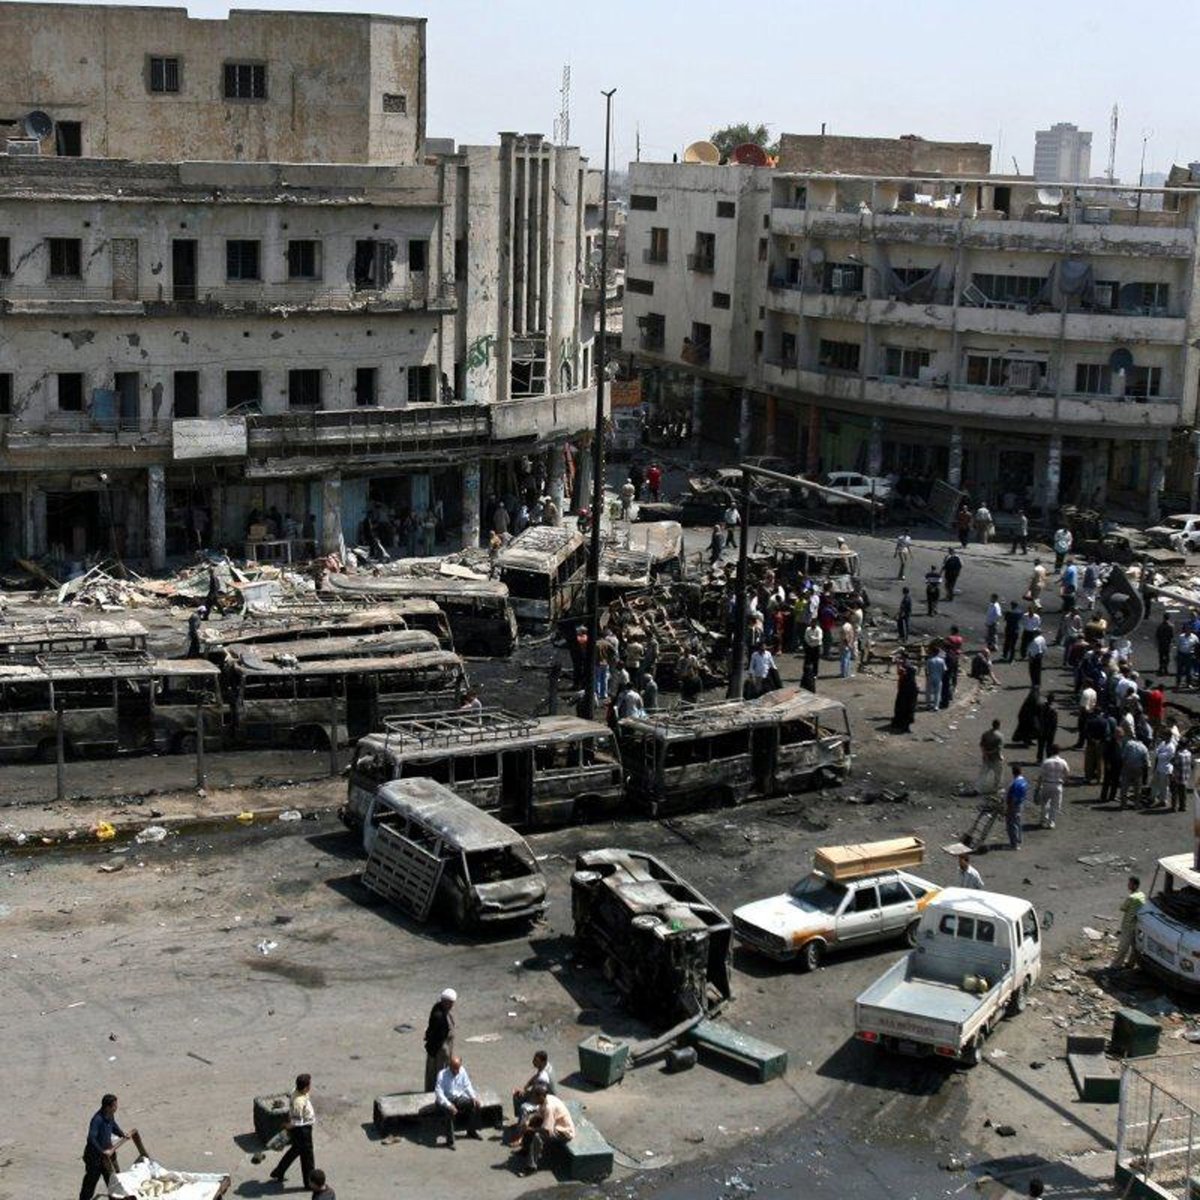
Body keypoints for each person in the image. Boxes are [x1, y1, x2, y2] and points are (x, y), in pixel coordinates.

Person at [80, 1094, 147, 1200]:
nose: (116, 1107)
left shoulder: (110, 1115)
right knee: (90, 1183)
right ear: (108, 1107)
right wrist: (102, 1151)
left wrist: (122, 1134)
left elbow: (113, 1126)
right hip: (95, 1158)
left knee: (115, 1181)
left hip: (108, 1155)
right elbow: (91, 1138)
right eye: (114, 1105)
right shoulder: (97, 1120)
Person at [271, 1074, 316, 1189]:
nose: (310, 1087)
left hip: (301, 1128)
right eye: (309, 1085)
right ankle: (309, 1183)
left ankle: (279, 1171)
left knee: (295, 1150)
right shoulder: (298, 1102)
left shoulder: (295, 1091)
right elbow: (296, 1122)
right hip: (303, 1130)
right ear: (305, 1088)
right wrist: (287, 1126)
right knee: (307, 1158)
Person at [518, 1085, 575, 1176]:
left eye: (534, 1097)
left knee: (538, 1136)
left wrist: (529, 1129)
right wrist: (528, 1122)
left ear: (541, 1096)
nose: (533, 1099)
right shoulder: (546, 1098)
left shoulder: (549, 1107)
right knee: (532, 1124)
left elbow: (546, 1130)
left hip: (564, 1131)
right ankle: (526, 1149)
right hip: (554, 1124)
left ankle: (531, 1167)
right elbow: (538, 1114)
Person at [434, 1055, 482, 1147]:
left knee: (474, 1105)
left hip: (458, 1098)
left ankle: (471, 1131)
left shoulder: (462, 1070)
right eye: (454, 1069)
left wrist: (473, 1097)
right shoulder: (442, 1074)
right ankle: (450, 1141)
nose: (456, 1071)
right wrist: (449, 1105)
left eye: (458, 1068)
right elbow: (439, 1093)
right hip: (445, 1100)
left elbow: (467, 1085)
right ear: (450, 1066)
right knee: (449, 1112)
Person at [424, 988, 457, 1092]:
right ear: (445, 1001)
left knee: (440, 1072)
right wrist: (443, 1052)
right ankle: (437, 1092)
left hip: (445, 1048)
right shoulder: (439, 1016)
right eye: (450, 1003)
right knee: (439, 1073)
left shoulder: (441, 1009)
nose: (452, 1005)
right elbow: (437, 1036)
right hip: (440, 1050)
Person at [1111, 875, 1146, 969]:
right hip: (1137, 924)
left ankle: (1116, 965)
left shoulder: (1132, 897)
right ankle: (1131, 963)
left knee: (1123, 946)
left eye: (1130, 883)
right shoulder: (1142, 895)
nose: (1128, 885)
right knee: (1135, 946)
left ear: (1135, 885)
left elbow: (1123, 908)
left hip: (1128, 924)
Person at [512, 1050, 555, 1120]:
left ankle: (522, 1124)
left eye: (536, 1061)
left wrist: (529, 1098)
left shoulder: (544, 1077)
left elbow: (540, 1097)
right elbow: (535, 1077)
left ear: (543, 1062)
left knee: (523, 1105)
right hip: (538, 1093)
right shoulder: (545, 1066)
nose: (533, 1062)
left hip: (544, 1099)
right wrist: (526, 1087)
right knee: (517, 1094)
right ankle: (520, 1118)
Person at [1038, 744, 1070, 829]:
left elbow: (1041, 776)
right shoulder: (1063, 762)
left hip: (1047, 784)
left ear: (1051, 751)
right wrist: (1064, 781)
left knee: (1044, 803)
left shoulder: (1046, 762)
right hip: (1057, 784)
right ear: (1059, 751)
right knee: (1055, 805)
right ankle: (1051, 822)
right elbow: (1067, 773)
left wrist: (1038, 787)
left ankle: (1043, 820)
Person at [1119, 734, 1149, 810]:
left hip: (1127, 766)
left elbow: (1123, 756)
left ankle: (1123, 804)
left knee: (1125, 786)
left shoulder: (1129, 744)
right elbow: (1146, 762)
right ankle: (1136, 804)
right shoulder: (1144, 748)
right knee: (1137, 787)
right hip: (1138, 769)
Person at [978, 718, 1004, 799]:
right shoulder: (999, 736)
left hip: (986, 758)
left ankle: (978, 788)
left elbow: (981, 745)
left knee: (983, 774)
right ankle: (996, 788)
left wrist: (985, 754)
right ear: (999, 726)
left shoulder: (985, 734)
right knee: (998, 774)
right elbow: (998, 749)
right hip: (995, 758)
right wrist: (1000, 756)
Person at [892, 655, 919, 733]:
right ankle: (906, 726)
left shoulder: (905, 677)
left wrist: (898, 665)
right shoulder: (912, 679)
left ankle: (899, 724)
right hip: (910, 694)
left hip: (904, 693)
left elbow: (900, 672)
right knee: (909, 709)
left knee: (901, 708)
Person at [1005, 765, 1028, 850]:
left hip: (1013, 805)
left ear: (1013, 773)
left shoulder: (1015, 783)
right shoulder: (1024, 781)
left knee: (1011, 825)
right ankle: (1019, 839)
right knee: (1018, 822)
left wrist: (1009, 806)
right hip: (1020, 804)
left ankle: (1014, 844)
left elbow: (1013, 797)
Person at [1150, 734, 1176, 810]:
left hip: (1165, 769)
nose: (1163, 737)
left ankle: (1163, 801)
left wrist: (1159, 753)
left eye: (1165, 736)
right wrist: (1159, 753)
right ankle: (1153, 798)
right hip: (1158, 767)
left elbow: (1164, 756)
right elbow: (1156, 751)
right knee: (1154, 783)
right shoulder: (1163, 743)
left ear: (1169, 736)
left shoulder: (1171, 746)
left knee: (1164, 786)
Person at [1035, 692, 1058, 763]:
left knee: (1041, 745)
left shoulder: (1042, 706)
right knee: (1049, 745)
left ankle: (1039, 759)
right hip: (1050, 730)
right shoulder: (1054, 709)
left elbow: (1037, 716)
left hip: (1042, 729)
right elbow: (1054, 722)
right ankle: (1048, 758)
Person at [1173, 741, 1194, 814]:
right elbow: (1191, 764)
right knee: (1183, 792)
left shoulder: (1179, 754)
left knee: (1175, 791)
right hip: (1186, 775)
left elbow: (1175, 764)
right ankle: (1183, 806)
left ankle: (1174, 806)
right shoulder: (1189, 753)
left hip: (1178, 775)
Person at [924, 646, 946, 712]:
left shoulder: (929, 660)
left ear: (933, 652)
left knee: (928, 692)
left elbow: (927, 670)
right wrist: (941, 675)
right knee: (937, 692)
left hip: (930, 676)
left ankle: (928, 705)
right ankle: (936, 706)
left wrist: (927, 676)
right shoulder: (942, 660)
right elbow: (944, 670)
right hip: (938, 677)